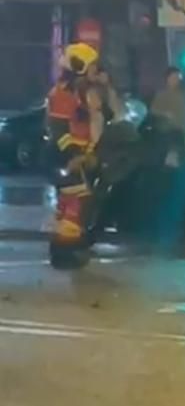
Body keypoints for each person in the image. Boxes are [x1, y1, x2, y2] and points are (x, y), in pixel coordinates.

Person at [46, 43, 99, 269]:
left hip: (76, 157)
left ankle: (68, 250)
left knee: (72, 204)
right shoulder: (63, 94)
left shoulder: (77, 93)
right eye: (92, 67)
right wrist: (74, 155)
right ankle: (66, 253)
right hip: (65, 158)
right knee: (74, 205)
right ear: (80, 68)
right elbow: (58, 129)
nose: (95, 71)